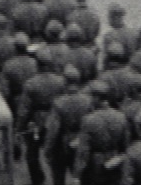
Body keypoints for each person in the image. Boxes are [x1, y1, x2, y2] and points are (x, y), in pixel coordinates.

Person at [17, 49, 68, 185]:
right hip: (55, 118)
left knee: (32, 154)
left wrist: (20, 127)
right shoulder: (61, 81)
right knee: (56, 153)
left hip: (36, 120)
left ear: (37, 64)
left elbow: (25, 109)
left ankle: (37, 179)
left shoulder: (31, 83)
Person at [44, 65, 94, 185]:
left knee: (58, 178)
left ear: (65, 81)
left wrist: (48, 150)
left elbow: (53, 130)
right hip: (82, 142)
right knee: (82, 178)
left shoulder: (59, 102)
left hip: (62, 146)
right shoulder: (88, 100)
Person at [74, 80, 130, 185]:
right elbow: (125, 146)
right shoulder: (121, 117)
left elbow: (83, 151)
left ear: (96, 98)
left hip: (95, 164)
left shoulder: (88, 120)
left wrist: (77, 174)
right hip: (115, 160)